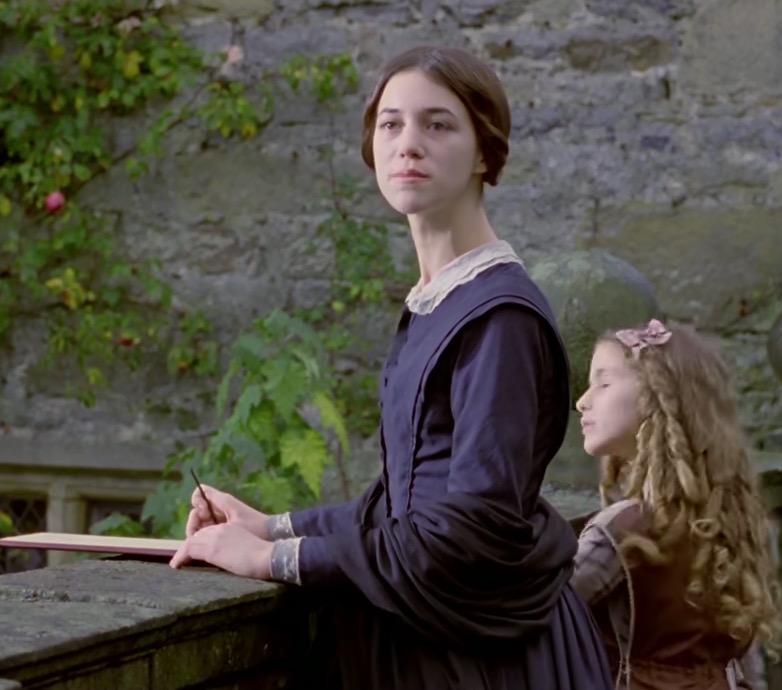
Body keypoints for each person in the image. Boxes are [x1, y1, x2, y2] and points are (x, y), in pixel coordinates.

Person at [168, 45, 614, 689]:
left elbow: (468, 531)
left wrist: (274, 559)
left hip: (482, 663)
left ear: (484, 153)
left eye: (438, 124)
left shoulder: (499, 319)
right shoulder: (440, 301)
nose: (409, 144)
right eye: (391, 124)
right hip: (426, 640)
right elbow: (406, 501)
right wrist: (270, 525)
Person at [571, 319, 782, 689]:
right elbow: (748, 666)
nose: (582, 401)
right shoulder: (730, 522)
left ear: (657, 398)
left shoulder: (621, 531)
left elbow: (535, 613)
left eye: (603, 384)